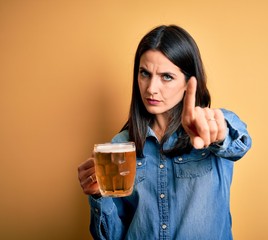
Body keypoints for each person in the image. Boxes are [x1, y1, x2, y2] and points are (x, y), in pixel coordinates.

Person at [78, 25, 252, 240]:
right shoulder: (121, 145)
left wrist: (217, 134)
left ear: (189, 82)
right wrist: (98, 196)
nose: (151, 88)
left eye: (167, 77)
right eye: (145, 73)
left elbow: (239, 143)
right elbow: (112, 237)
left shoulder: (212, 125)